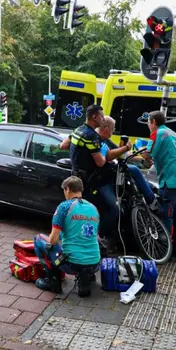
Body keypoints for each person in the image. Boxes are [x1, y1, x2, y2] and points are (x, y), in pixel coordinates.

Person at [60, 116, 154, 208]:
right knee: (114, 208)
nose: (113, 132)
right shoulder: (94, 139)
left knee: (134, 172)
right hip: (98, 179)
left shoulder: (103, 139)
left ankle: (151, 192)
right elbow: (108, 157)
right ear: (106, 128)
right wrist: (126, 148)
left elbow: (120, 153)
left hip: (104, 175)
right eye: (113, 129)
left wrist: (141, 160)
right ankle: (151, 200)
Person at [33, 176, 101, 297]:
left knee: (39, 239)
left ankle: (52, 281)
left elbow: (53, 241)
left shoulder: (64, 207)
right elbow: (95, 235)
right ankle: (87, 276)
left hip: (72, 264)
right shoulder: (93, 208)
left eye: (64, 190)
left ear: (67, 189)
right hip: (95, 263)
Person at [66, 104, 118, 250]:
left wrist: (79, 153)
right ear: (95, 117)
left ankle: (74, 242)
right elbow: (101, 162)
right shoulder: (91, 136)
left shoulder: (78, 130)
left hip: (75, 175)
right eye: (101, 116)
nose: (103, 119)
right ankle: (90, 243)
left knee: (75, 211)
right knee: (89, 212)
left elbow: (64, 145)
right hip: (86, 180)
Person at [141, 111, 176, 259]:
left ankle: (164, 248)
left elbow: (148, 153)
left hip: (170, 180)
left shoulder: (157, 133)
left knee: (166, 214)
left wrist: (139, 154)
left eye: (149, 122)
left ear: (154, 122)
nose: (148, 125)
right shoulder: (172, 133)